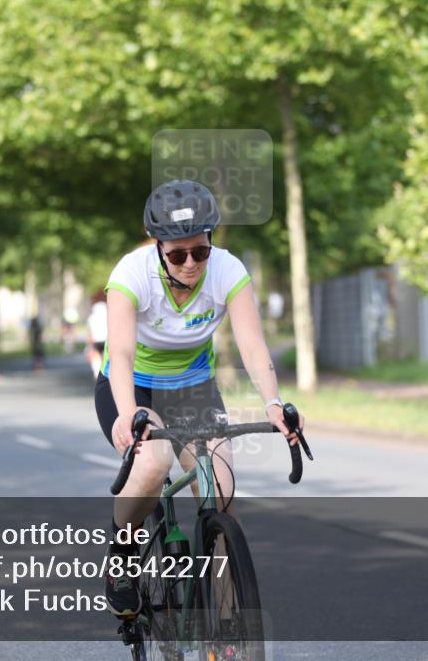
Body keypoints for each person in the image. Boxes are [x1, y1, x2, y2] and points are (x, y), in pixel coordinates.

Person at [94, 179, 304, 617]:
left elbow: (252, 345)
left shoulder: (227, 271)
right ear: (157, 246)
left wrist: (272, 403)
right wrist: (129, 414)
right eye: (177, 255)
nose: (191, 263)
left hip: (193, 387)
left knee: (221, 491)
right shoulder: (130, 275)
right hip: (134, 386)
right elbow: (122, 353)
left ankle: (228, 628)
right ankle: (122, 556)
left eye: (200, 251)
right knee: (153, 465)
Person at [85, 291, 108, 379]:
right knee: (107, 356)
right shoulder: (107, 314)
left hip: (96, 339)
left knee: (97, 356)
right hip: (106, 339)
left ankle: (98, 373)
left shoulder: (92, 317)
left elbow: (90, 332)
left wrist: (89, 342)